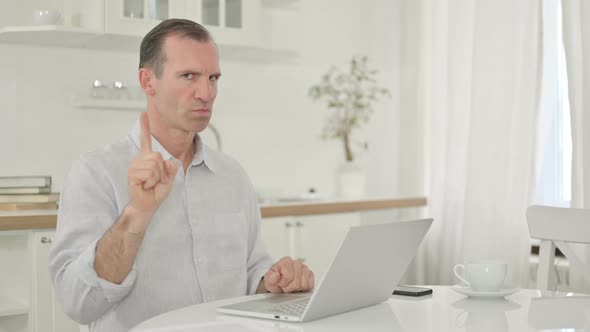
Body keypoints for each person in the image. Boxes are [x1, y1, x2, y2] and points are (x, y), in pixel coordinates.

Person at [48, 18, 314, 332]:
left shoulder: (232, 175)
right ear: (148, 82)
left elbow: (253, 273)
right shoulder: (95, 173)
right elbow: (78, 304)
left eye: (213, 77)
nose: (206, 92)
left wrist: (276, 282)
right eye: (189, 76)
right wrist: (137, 214)